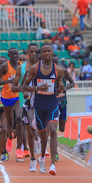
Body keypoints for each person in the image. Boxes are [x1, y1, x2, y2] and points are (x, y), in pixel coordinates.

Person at [21, 44, 64, 175]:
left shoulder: (58, 70)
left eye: (49, 51)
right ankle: (41, 158)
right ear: (42, 53)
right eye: (44, 51)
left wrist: (61, 88)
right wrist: (37, 89)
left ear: (52, 52)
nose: (47, 53)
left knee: (53, 129)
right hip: (38, 107)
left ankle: (52, 165)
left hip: (52, 105)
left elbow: (60, 84)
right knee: (43, 137)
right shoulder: (34, 69)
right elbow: (24, 86)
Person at [0, 48, 24, 161]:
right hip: (6, 98)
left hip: (17, 97)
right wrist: (8, 81)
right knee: (9, 123)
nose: (15, 56)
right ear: (9, 55)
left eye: (17, 54)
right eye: (13, 54)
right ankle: (9, 139)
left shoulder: (22, 66)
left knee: (19, 118)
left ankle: (19, 149)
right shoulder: (5, 66)